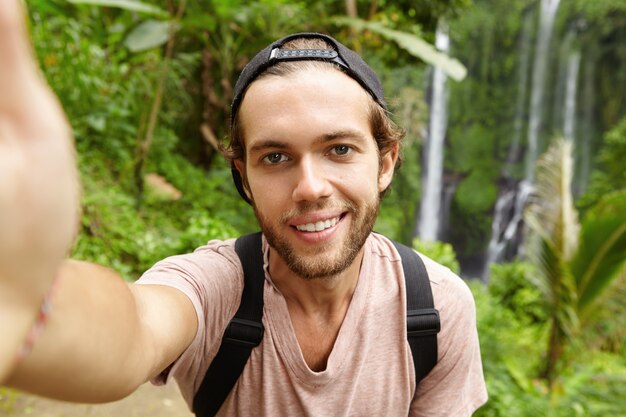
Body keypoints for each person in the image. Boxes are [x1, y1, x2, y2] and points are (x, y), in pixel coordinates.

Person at [0, 1, 488, 415]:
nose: (310, 187)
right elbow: (136, 329)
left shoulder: (437, 309)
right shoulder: (216, 291)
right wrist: (27, 298)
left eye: (339, 149)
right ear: (245, 180)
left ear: (385, 163)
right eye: (275, 158)